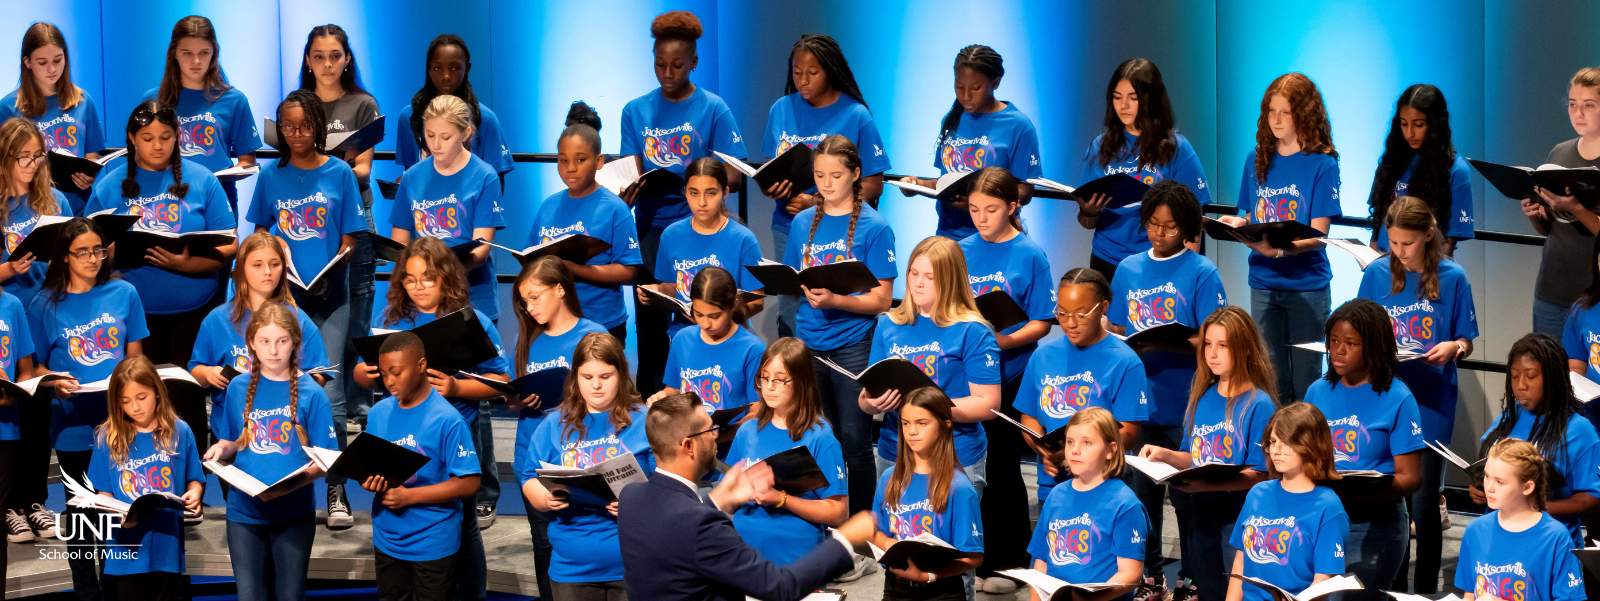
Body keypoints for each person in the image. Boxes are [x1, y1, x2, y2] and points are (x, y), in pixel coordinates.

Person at [352, 237, 505, 599]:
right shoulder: (393, 318)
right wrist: (366, 374)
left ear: (446, 278)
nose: (418, 287)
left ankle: (470, 592)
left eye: (427, 278)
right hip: (402, 429)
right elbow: (360, 371)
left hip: (455, 426)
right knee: (406, 500)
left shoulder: (470, 320)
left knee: (462, 521)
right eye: (409, 279)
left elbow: (502, 382)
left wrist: (456, 388)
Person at [618, 391, 876, 601]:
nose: (715, 437)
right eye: (709, 431)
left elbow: (677, 533)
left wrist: (719, 500)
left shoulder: (631, 499)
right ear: (689, 446)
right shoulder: (700, 525)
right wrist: (845, 540)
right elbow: (780, 587)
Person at [86, 100, 236, 445]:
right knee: (139, 399)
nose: (157, 145)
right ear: (132, 138)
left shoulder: (202, 179)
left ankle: (193, 479)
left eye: (166, 137)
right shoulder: (110, 184)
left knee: (187, 398)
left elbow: (230, 245)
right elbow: (89, 241)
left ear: (177, 137)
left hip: (193, 313)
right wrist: (107, 267)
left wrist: (183, 264)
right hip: (134, 317)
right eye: (148, 137)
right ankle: (141, 472)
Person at [246, 91, 364, 526]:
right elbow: (261, 234)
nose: (296, 135)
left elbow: (351, 235)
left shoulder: (339, 173)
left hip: (330, 293)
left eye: (304, 126)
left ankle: (335, 488)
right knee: (277, 388)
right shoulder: (271, 175)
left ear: (317, 125)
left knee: (328, 392)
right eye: (288, 127)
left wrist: (338, 263)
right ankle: (276, 481)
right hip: (284, 299)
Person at [1109, 178, 1228, 594]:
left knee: (1188, 499)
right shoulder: (1128, 269)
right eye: (1153, 226)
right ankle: (1151, 574)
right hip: (1138, 400)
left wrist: (1175, 339)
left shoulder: (1202, 272)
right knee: (1140, 499)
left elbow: (1215, 336)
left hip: (1186, 399)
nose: (1160, 234)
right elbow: (1121, 329)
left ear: (1188, 228)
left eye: (1170, 227)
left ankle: (1193, 579)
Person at [620, 10, 747, 397]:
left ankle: (711, 400)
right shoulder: (635, 110)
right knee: (653, 325)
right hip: (653, 229)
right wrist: (627, 185)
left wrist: (692, 177)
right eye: (660, 65)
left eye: (677, 65)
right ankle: (654, 409)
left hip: (702, 225)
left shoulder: (713, 109)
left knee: (702, 317)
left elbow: (736, 175)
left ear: (694, 62)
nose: (667, 73)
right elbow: (630, 169)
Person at [1356, 195, 1478, 593]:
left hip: (1431, 398)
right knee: (1392, 498)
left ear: (1428, 235)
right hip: (1387, 397)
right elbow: (1360, 331)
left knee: (1424, 504)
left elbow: (1466, 339)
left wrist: (1452, 348)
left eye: (1407, 243)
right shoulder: (1375, 275)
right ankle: (1392, 585)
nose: (1399, 252)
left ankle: (1425, 589)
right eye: (1393, 243)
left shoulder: (1453, 277)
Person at [26, 217, 148, 598]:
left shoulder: (124, 293)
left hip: (120, 421)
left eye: (98, 250)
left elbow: (136, 359)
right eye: (83, 252)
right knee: (82, 514)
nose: (94, 258)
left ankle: (119, 587)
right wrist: (53, 381)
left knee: (119, 511)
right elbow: (34, 368)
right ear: (64, 258)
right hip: (74, 423)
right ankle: (87, 591)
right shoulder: (44, 304)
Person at [784, 135, 896, 518]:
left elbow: (881, 300)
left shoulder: (874, 228)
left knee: (854, 439)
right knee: (818, 435)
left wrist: (836, 300)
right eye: (819, 175)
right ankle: (827, 516)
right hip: (809, 341)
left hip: (852, 345)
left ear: (856, 174)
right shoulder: (802, 224)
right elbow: (793, 277)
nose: (826, 184)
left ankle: (861, 524)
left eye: (835, 175)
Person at [187, 232, 334, 522]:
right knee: (244, 519)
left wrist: (285, 380)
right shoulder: (218, 319)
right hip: (235, 437)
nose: (268, 272)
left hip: (286, 441)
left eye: (275, 264)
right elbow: (196, 367)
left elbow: (319, 374)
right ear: (241, 269)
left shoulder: (297, 317)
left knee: (285, 520)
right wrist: (209, 373)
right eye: (257, 265)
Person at [1137, 306, 1277, 601]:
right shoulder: (1203, 396)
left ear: (1245, 349)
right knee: (1208, 589)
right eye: (1208, 345)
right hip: (1200, 515)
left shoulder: (1259, 404)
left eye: (1222, 345)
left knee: (1235, 591)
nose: (1212, 353)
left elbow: (1259, 474)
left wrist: (1207, 485)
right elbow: (1194, 456)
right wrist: (1165, 455)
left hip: (1236, 519)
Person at [955, 166, 1053, 587]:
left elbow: (1042, 322)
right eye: (975, 209)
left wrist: (1000, 341)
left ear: (1012, 207)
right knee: (970, 466)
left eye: (991, 209)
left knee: (1002, 466)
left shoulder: (1029, 254)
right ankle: (971, 554)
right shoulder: (959, 250)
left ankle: (1009, 560)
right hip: (968, 375)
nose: (981, 217)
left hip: (1011, 373)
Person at [1216, 72, 1340, 404]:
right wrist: (1237, 225)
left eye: (1285, 112)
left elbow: (1319, 234)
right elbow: (1250, 214)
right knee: (1269, 381)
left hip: (1306, 286)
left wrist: (1280, 252)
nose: (1276, 120)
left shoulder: (1321, 163)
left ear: (1304, 114)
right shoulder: (1257, 157)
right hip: (1263, 281)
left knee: (1306, 382)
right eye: (1271, 111)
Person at [202, 303, 337, 601]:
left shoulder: (312, 393)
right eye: (265, 341)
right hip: (244, 511)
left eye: (282, 341)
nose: (273, 350)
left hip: (293, 512)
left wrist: (287, 487)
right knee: (249, 595)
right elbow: (237, 440)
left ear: (295, 344)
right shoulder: (238, 387)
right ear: (251, 343)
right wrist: (223, 447)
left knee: (290, 595)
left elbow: (327, 460)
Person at [765, 34, 890, 338]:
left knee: (833, 310)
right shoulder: (781, 109)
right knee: (793, 308)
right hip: (788, 225)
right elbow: (770, 169)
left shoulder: (855, 115)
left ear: (830, 71)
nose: (803, 81)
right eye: (797, 72)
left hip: (842, 230)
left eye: (812, 73)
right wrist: (772, 188)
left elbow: (874, 183)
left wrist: (818, 202)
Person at [860, 236, 1001, 495]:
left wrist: (929, 411)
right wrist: (872, 403)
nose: (918, 283)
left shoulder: (973, 331)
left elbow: (988, 403)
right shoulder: (888, 324)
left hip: (953, 454)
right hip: (896, 452)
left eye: (929, 276)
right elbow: (867, 395)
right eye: (914, 273)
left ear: (950, 280)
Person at [1304, 299, 1423, 600]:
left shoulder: (1399, 398)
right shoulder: (1317, 391)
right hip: (1322, 518)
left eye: (1350, 343)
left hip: (1374, 524)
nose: (1338, 350)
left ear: (1373, 347)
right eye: (1333, 341)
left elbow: (1411, 477)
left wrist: (1359, 492)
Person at [298, 22, 382, 434]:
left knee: (358, 315)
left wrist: (330, 165)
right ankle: (317, 403)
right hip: (306, 226)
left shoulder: (362, 104)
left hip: (353, 218)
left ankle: (360, 408)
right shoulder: (299, 105)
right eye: (319, 56)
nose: (328, 64)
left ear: (347, 59)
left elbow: (363, 169)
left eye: (335, 56)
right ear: (308, 61)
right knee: (312, 316)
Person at [524, 332, 652, 600]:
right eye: (587, 377)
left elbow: (667, 481)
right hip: (573, 566)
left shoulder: (644, 421)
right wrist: (545, 499)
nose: (596, 386)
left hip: (635, 561)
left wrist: (640, 502)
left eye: (605, 377)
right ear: (575, 378)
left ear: (621, 374)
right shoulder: (553, 424)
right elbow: (528, 476)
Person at [510, 256, 607, 601]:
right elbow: (512, 395)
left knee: (583, 541)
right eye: (524, 300)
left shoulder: (592, 336)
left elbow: (612, 396)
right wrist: (519, 400)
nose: (529, 306)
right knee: (544, 547)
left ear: (560, 290)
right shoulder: (529, 340)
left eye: (535, 297)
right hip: (534, 459)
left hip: (581, 457)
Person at [361, 332, 482, 601]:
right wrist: (368, 481)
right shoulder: (378, 413)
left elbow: (470, 481)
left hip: (433, 542)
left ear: (421, 365)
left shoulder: (448, 419)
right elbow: (371, 468)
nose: (389, 381)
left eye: (396, 372)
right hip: (387, 538)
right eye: (383, 374)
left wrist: (409, 496)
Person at [1016, 268, 1150, 504]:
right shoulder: (1043, 356)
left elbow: (1129, 430)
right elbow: (1029, 416)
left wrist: (1078, 452)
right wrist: (1043, 449)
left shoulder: (1125, 362)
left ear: (1103, 308)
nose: (1070, 323)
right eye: (1063, 313)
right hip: (1053, 487)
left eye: (1081, 314)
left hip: (1105, 488)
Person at [1075, 58, 1210, 279]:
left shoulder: (1176, 148)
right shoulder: (1100, 145)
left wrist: (1189, 273)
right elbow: (1086, 222)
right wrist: (1088, 212)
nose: (1123, 106)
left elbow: (1196, 217)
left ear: (1150, 100)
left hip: (1158, 260)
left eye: (1133, 98)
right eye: (1117, 97)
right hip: (1107, 260)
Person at [726, 337, 849, 565]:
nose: (769, 387)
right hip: (745, 556)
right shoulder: (747, 431)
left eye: (780, 380)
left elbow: (838, 512)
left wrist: (781, 499)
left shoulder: (820, 437)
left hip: (795, 559)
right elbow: (727, 494)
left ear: (802, 382)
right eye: (764, 378)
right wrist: (739, 491)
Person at [898, 45, 1041, 239]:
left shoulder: (1018, 126)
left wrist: (978, 202)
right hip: (949, 236)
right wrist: (916, 185)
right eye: (959, 87)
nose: (966, 96)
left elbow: (1024, 191)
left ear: (996, 83)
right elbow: (946, 181)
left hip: (994, 239)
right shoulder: (951, 119)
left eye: (976, 88)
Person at [92, 356, 205, 600]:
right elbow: (103, 494)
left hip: (165, 546)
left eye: (141, 397)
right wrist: (117, 515)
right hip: (125, 550)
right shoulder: (107, 437)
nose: (135, 407)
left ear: (157, 392)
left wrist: (195, 493)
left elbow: (194, 479)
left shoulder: (179, 431)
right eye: (125, 401)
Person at [530, 101, 643, 342]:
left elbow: (629, 270)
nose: (570, 168)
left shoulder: (615, 209)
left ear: (599, 161)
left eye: (580, 160)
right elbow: (530, 258)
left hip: (601, 323)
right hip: (555, 322)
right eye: (563, 160)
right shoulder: (548, 207)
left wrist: (575, 269)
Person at [1474, 333, 1600, 548]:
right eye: (1514, 376)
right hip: (1499, 539)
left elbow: (1591, 497)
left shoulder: (1579, 430)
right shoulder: (1510, 416)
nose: (1520, 385)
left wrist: (1537, 507)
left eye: (1530, 376)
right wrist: (1478, 488)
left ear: (1552, 378)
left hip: (1548, 545)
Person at [389, 93, 505, 321]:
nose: (436, 144)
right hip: (422, 301)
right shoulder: (412, 177)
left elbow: (480, 250)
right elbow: (400, 241)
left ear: (465, 133)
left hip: (472, 297)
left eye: (446, 137)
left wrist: (440, 276)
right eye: (430, 135)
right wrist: (418, 278)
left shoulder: (484, 176)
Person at [868, 387, 985, 601]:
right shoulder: (888, 478)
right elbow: (877, 533)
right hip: (895, 586)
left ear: (944, 425)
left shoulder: (959, 488)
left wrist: (928, 575)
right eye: (905, 423)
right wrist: (888, 545)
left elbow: (973, 556)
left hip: (941, 589)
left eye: (922, 423)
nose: (911, 431)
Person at [1225, 402, 1350, 601]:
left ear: (1311, 445)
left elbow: (1324, 580)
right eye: (1272, 442)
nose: (1276, 450)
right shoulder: (1257, 493)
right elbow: (1240, 562)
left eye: (1286, 442)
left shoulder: (1327, 506)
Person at [1026, 407, 1148, 597]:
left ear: (1110, 450)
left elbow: (1130, 573)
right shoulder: (1056, 495)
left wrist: (1090, 598)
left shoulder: (1125, 504)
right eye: (1070, 442)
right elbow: (1040, 561)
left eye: (1087, 443)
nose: (1075, 450)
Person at [637, 156, 763, 338]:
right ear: (685, 193)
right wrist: (657, 291)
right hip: (684, 335)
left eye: (711, 193)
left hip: (729, 337)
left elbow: (757, 300)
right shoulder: (671, 235)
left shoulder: (743, 239)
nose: (702, 202)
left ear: (725, 192)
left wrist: (716, 317)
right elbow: (675, 285)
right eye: (694, 193)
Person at [140, 15, 260, 206]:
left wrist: (230, 174)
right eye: (187, 53)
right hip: (166, 201)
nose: (196, 61)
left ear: (214, 53)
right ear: (174, 54)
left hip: (218, 199)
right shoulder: (153, 100)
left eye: (204, 53)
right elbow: (140, 157)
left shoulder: (235, 100)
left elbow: (247, 159)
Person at [1455, 439, 1586, 601]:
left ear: (1527, 487)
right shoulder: (1475, 531)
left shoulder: (1555, 538)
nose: (1489, 487)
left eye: (1500, 482)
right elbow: (1470, 593)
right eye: (1486, 477)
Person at [1524, 67, 1600, 337]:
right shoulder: (1559, 152)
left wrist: (1577, 209)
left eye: (1588, 105)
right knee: (1549, 371)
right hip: (1552, 290)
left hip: (1593, 295)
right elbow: (1551, 229)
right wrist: (1536, 214)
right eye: (1572, 105)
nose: (1578, 113)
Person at [0, 22, 102, 210]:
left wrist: (88, 173)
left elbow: (92, 152)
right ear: (27, 62)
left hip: (78, 204)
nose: (52, 69)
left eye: (57, 60)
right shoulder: (8, 107)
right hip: (29, 208)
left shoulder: (83, 100)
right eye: (42, 63)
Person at [1366, 84, 1474, 253]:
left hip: (1426, 273)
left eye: (1418, 124)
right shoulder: (1391, 161)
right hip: (1383, 265)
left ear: (1436, 125)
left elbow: (1447, 243)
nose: (1409, 133)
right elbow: (1378, 221)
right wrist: (1373, 260)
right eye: (1403, 124)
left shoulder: (1456, 170)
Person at [394, 34, 512, 178]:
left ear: (467, 68)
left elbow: (496, 181)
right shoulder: (409, 117)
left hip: (470, 200)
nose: (446, 76)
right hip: (424, 200)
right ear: (428, 69)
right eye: (437, 68)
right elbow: (410, 171)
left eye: (454, 68)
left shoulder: (485, 119)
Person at [649, 266, 766, 410]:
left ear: (732, 306)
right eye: (698, 314)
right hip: (688, 429)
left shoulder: (752, 349)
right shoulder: (682, 339)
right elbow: (674, 390)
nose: (706, 324)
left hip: (732, 431)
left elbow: (757, 408)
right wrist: (662, 397)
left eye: (715, 316)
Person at [0, 117, 73, 308]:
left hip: (53, 306)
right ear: (5, 157)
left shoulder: (56, 200)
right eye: (24, 156)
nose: (33, 164)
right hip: (10, 311)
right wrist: (10, 269)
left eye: (37, 155)